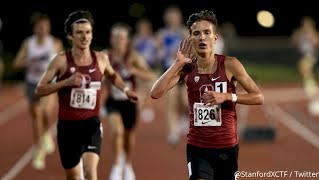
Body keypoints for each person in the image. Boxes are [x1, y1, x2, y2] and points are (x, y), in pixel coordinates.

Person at [150, 10, 264, 180]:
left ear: (215, 38)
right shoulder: (187, 69)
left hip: (227, 147)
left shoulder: (230, 65)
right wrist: (177, 63)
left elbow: (258, 97)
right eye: (196, 33)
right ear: (190, 39)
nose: (202, 37)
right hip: (197, 147)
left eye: (206, 32)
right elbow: (155, 93)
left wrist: (227, 97)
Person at [35, 10, 138, 180]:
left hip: (91, 124)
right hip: (67, 127)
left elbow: (112, 75)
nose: (85, 36)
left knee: (90, 171)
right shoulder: (61, 61)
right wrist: (65, 82)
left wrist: (126, 90)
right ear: (70, 36)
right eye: (79, 33)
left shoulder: (101, 59)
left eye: (88, 32)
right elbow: (40, 89)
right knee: (74, 176)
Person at [103, 22, 154, 180]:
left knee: (128, 137)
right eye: (116, 38)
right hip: (113, 101)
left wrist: (134, 70)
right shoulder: (106, 56)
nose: (119, 41)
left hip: (130, 103)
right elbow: (99, 77)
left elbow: (150, 76)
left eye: (122, 38)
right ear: (111, 39)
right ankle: (117, 165)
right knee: (117, 132)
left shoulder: (133, 57)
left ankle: (127, 164)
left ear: (127, 40)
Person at [13, 12, 63, 170]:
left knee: (46, 113)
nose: (43, 29)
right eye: (40, 27)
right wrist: (29, 61)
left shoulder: (54, 43)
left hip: (48, 83)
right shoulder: (29, 43)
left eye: (46, 26)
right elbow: (16, 63)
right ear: (35, 28)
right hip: (32, 83)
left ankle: (45, 134)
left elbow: (62, 61)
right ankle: (39, 147)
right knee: (36, 117)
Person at [155, 5, 190, 145]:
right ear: (166, 19)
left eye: (174, 17)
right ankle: (173, 132)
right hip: (168, 71)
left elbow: (191, 48)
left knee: (184, 101)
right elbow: (157, 53)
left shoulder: (183, 32)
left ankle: (183, 118)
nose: (172, 20)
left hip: (184, 71)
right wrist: (163, 53)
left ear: (179, 18)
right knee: (171, 102)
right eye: (170, 17)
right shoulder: (161, 34)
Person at [291, 16, 319, 98]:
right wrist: (297, 36)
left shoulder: (314, 33)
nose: (306, 26)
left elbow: (317, 44)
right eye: (305, 24)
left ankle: (311, 89)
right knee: (304, 71)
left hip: (311, 54)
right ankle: (310, 86)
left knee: (304, 68)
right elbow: (294, 43)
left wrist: (313, 38)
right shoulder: (300, 33)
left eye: (308, 25)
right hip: (302, 55)